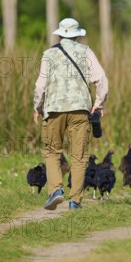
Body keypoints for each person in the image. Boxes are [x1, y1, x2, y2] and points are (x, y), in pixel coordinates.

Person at [33, 18, 108, 210]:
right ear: (77, 35)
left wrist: (37, 107)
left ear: (59, 34)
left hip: (54, 109)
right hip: (80, 110)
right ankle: (75, 201)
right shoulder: (86, 52)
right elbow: (101, 79)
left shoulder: (48, 54)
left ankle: (56, 191)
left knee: (51, 151)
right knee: (79, 156)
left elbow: (40, 85)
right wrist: (98, 104)